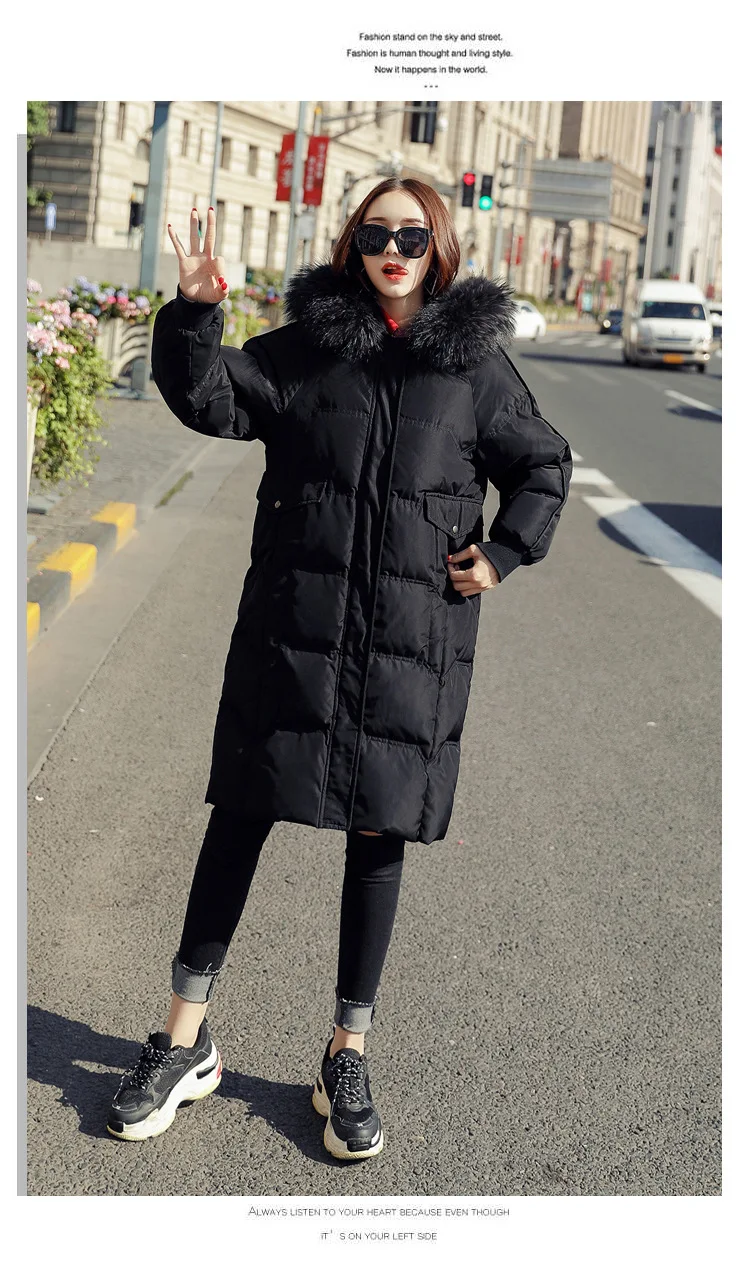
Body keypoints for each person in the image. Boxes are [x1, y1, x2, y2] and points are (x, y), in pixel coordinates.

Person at [106, 179, 572, 1160]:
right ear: (352, 244)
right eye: (375, 233)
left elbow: (542, 464)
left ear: (438, 248)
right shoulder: (308, 349)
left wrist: (504, 551)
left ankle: (345, 1052)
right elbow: (210, 397)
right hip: (293, 634)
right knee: (240, 817)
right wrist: (194, 312)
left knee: (378, 833)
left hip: (410, 647)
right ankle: (183, 1041)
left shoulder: (473, 367)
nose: (393, 250)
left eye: (413, 235)